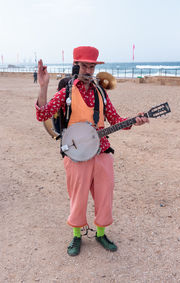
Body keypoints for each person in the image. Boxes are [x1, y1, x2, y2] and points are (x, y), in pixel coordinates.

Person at [35, 46, 149, 256]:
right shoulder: (66, 92)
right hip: (76, 154)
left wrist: (135, 120)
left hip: (102, 150)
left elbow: (115, 120)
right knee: (77, 196)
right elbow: (43, 114)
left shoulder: (101, 93)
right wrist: (43, 86)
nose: (88, 70)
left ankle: (101, 233)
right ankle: (77, 236)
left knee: (105, 195)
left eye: (91, 66)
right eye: (84, 65)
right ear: (77, 65)